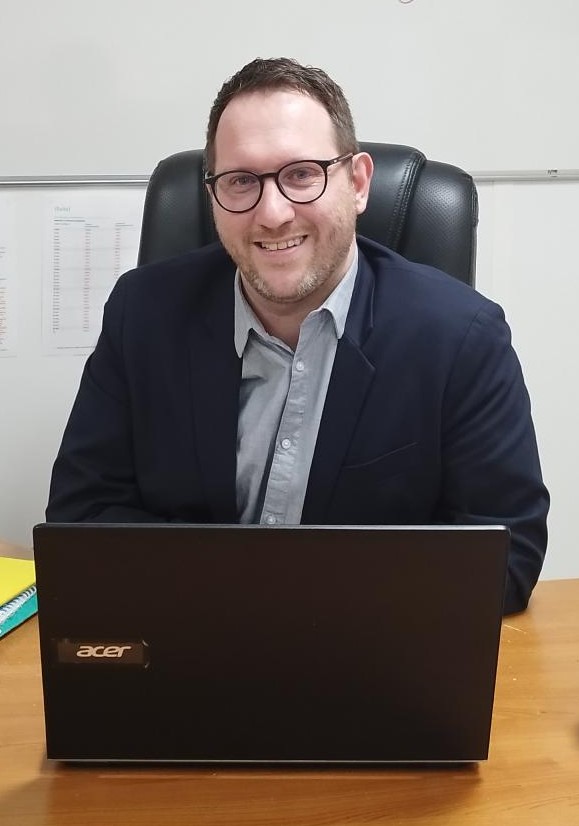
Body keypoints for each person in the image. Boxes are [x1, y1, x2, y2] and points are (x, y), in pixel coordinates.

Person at [46, 57, 549, 614]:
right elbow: (80, 518)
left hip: (365, 650)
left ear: (358, 183)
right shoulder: (142, 314)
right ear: (213, 196)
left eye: (302, 174)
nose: (273, 213)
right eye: (241, 181)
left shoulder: (462, 337)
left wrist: (294, 601)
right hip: (185, 638)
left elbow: (506, 559)